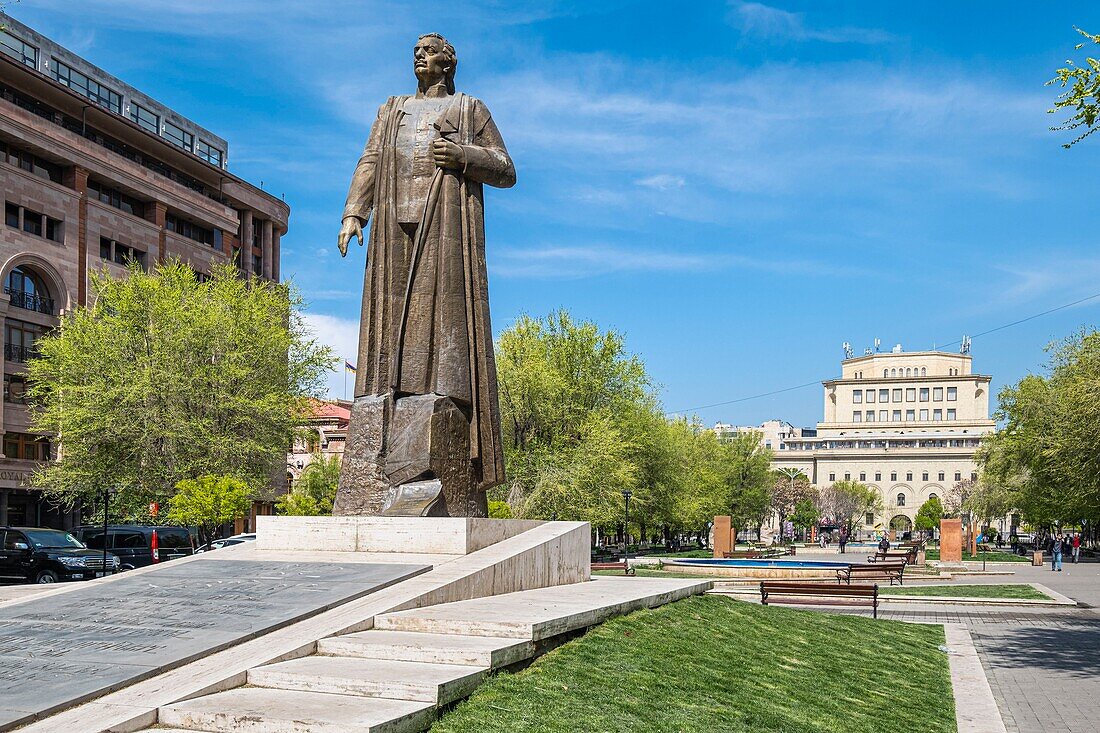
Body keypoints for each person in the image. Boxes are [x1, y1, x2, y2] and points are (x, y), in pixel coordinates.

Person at [335, 33, 516, 516]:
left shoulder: (470, 108)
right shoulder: (391, 109)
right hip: (394, 221)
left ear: (448, 61)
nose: (420, 54)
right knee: (389, 325)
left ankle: (440, 400)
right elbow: (371, 160)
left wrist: (463, 157)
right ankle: (386, 399)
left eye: (430, 49)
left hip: (446, 224)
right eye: (416, 49)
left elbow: (506, 168)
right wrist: (355, 213)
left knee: (443, 321)